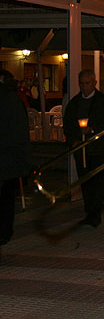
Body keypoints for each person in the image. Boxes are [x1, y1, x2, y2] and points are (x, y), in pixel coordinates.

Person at [63, 69, 104, 228]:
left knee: (98, 182)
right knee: (85, 181)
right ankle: (89, 211)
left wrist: (92, 129)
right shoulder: (75, 103)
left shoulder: (102, 101)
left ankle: (95, 213)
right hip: (82, 149)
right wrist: (73, 140)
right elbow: (68, 124)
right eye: (82, 84)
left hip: (98, 149)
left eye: (87, 83)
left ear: (94, 83)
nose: (84, 87)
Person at [0, 70, 32, 245]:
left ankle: (4, 231)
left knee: (5, 197)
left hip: (8, 157)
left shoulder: (10, 100)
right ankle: (5, 231)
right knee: (6, 198)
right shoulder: (12, 99)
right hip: (10, 160)